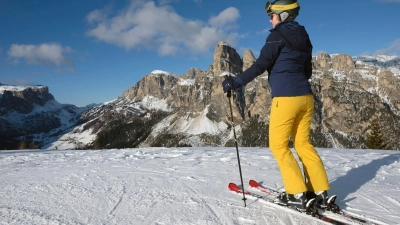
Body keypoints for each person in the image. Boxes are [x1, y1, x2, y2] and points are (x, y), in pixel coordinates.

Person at [222, 0, 332, 212]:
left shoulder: (277, 36)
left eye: (272, 15)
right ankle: (319, 190)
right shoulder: (304, 36)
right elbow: (307, 70)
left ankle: (296, 193)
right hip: (306, 98)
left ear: (282, 15)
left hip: (286, 98)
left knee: (279, 146)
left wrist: (234, 83)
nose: (270, 20)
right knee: (303, 144)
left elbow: (260, 65)